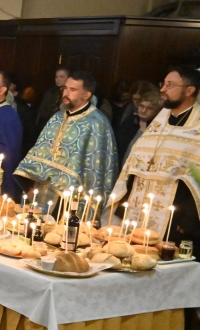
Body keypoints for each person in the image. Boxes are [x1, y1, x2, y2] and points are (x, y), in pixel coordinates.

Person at [109, 66, 200, 245]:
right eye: (163, 84)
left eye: (170, 85)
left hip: (174, 219)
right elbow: (133, 166)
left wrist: (188, 221)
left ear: (189, 91)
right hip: (137, 209)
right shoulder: (158, 122)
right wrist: (122, 207)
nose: (163, 89)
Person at [16, 71, 118, 203]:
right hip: (44, 189)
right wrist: (31, 186)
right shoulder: (57, 117)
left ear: (87, 95)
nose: (66, 93)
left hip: (73, 195)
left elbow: (97, 168)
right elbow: (41, 152)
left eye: (73, 90)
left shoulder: (97, 123)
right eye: (65, 88)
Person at [116, 88, 162, 166]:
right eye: (142, 106)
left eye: (150, 108)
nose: (143, 111)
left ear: (157, 111)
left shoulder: (158, 127)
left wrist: (143, 131)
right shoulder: (130, 121)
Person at [35, 65, 71, 137]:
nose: (58, 79)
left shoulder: (71, 94)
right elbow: (42, 110)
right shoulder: (50, 92)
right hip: (47, 125)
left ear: (69, 78)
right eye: (56, 77)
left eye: (61, 77)